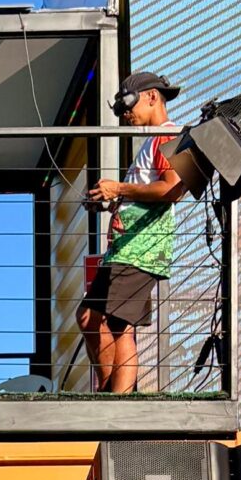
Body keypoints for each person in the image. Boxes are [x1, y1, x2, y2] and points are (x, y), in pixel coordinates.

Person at [80, 71, 188, 394]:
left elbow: (171, 189)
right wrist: (112, 201)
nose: (126, 115)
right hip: (126, 247)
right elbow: (148, 192)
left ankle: (118, 400)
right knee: (89, 316)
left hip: (140, 249)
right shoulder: (153, 141)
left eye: (128, 105)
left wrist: (119, 188)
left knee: (119, 326)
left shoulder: (167, 136)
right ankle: (109, 391)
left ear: (152, 96)